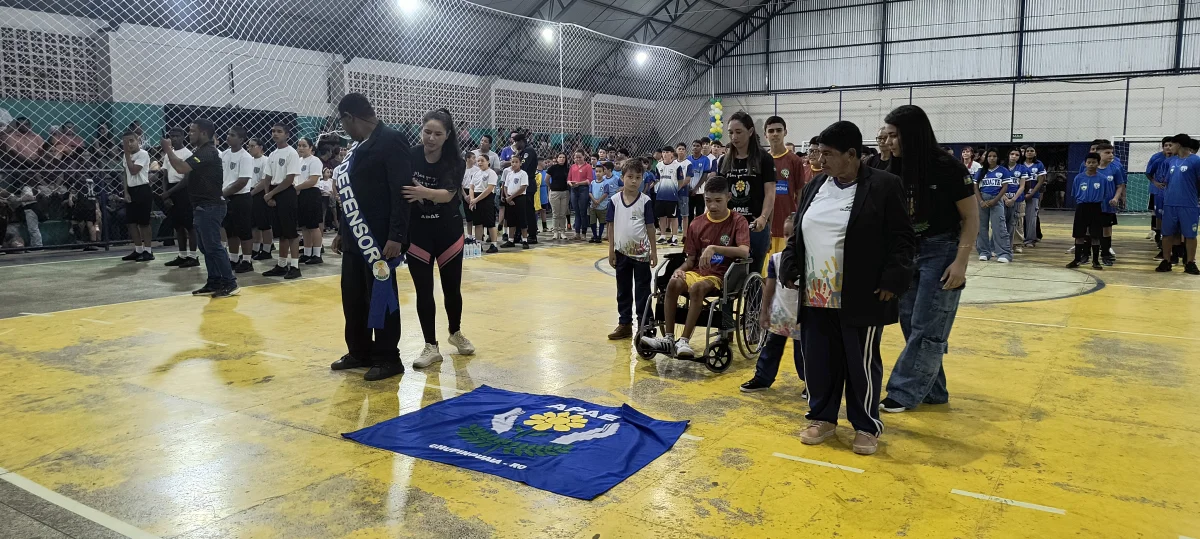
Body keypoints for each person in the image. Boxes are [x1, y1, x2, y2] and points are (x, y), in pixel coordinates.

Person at [778, 121, 915, 455]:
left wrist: (892, 279)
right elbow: (798, 231)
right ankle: (822, 417)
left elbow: (903, 238)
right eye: (819, 153)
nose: (820, 160)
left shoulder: (884, 185)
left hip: (861, 293)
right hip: (816, 293)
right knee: (818, 359)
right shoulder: (816, 185)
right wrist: (790, 263)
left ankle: (866, 424)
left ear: (852, 155)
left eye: (828, 154)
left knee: (860, 363)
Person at [878, 104, 979, 414]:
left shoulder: (948, 167)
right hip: (907, 252)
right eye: (886, 136)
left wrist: (961, 263)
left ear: (912, 135)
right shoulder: (891, 168)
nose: (888, 142)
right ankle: (934, 391)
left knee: (927, 324)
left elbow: (971, 217)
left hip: (942, 250)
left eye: (893, 136)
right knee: (911, 323)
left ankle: (902, 392)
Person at [328, 93, 412, 381]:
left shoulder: (391, 139)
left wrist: (397, 236)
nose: (344, 129)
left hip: (380, 240)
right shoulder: (357, 147)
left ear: (350, 117)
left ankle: (388, 357)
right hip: (355, 238)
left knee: (382, 297)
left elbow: (401, 192)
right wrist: (343, 231)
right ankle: (359, 351)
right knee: (353, 297)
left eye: (343, 123)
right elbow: (351, 195)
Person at [640, 176, 750, 359]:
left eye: (718, 201)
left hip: (722, 276)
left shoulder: (738, 221)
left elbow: (744, 252)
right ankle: (669, 339)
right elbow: (691, 260)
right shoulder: (697, 223)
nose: (712, 206)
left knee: (698, 288)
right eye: (708, 200)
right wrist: (680, 269)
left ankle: (683, 340)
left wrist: (714, 248)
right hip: (696, 271)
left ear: (729, 197)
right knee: (673, 282)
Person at [402, 108, 475, 369]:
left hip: (448, 232)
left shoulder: (455, 160)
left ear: (447, 135)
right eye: (427, 132)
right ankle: (430, 345)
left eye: (437, 134)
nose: (431, 138)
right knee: (423, 290)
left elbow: (448, 194)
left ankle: (455, 332)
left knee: (451, 288)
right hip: (418, 233)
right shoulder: (409, 155)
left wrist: (423, 192)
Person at [160, 119, 238, 296]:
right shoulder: (200, 152)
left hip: (211, 206)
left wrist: (167, 149)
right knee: (206, 247)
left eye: (192, 131)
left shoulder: (208, 152)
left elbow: (180, 168)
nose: (189, 134)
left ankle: (230, 282)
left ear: (203, 133)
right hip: (202, 206)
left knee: (214, 246)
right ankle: (214, 281)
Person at [739, 213, 803, 394]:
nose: (789, 239)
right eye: (786, 234)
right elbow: (769, 287)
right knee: (770, 349)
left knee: (805, 353)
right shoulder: (776, 259)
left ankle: (811, 382)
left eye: (793, 235)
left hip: (803, 316)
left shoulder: (810, 260)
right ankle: (762, 378)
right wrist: (764, 311)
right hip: (780, 314)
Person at [606, 159, 657, 341]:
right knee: (623, 290)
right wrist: (611, 250)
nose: (634, 181)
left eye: (638, 177)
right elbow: (610, 226)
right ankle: (624, 324)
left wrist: (653, 251)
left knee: (643, 290)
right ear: (622, 178)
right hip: (621, 253)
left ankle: (645, 325)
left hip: (641, 255)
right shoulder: (614, 201)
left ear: (642, 179)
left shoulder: (645, 201)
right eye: (630, 177)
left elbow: (650, 227)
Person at [717, 111, 775, 269]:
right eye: (730, 133)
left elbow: (770, 193)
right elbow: (718, 194)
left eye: (738, 132)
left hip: (754, 226)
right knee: (726, 271)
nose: (734, 137)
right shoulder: (724, 161)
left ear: (750, 132)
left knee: (753, 271)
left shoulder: (764, 159)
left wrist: (763, 217)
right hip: (729, 226)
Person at [261, 123, 302, 278]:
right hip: (274, 192)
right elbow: (267, 177)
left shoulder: (292, 153)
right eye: (273, 131)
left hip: (286, 192)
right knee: (281, 233)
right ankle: (282, 264)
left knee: (291, 232)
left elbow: (289, 179)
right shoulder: (272, 154)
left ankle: (295, 266)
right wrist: (267, 195)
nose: (275, 134)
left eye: (279, 131)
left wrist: (270, 194)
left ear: (287, 135)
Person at [764, 116, 806, 263]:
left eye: (779, 130)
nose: (775, 134)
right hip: (766, 226)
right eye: (771, 131)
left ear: (785, 132)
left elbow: (800, 192)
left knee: (784, 268)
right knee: (767, 271)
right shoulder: (761, 160)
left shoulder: (795, 160)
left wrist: (798, 219)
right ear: (765, 134)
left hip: (786, 226)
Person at [1157, 134, 1200, 274]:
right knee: (1167, 234)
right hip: (1170, 204)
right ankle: (1166, 261)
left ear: (1179, 145)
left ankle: (1190, 263)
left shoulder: (1196, 161)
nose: (1170, 148)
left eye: (1172, 145)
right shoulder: (1170, 161)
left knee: (1190, 235)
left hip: (1189, 204)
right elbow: (1166, 180)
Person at [160, 127, 198, 268]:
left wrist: (168, 193)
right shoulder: (168, 154)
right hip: (171, 189)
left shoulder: (188, 154)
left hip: (183, 191)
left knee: (189, 225)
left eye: (177, 136)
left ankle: (193, 256)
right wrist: (166, 194)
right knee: (178, 225)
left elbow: (187, 179)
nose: (174, 139)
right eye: (171, 136)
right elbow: (165, 176)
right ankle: (182, 255)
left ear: (183, 137)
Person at [219, 126, 255, 274]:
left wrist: (222, 194)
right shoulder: (224, 154)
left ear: (241, 139)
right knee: (231, 230)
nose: (228, 137)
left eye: (233, 135)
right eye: (228, 134)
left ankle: (247, 260)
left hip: (240, 197)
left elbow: (242, 181)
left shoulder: (245, 157)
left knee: (244, 230)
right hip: (226, 196)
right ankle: (233, 258)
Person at [1066, 153, 1106, 271]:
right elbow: (1075, 193)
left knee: (1095, 235)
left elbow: (1105, 194)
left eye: (1094, 162)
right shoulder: (1079, 178)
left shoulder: (1102, 179)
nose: (1091, 164)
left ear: (1098, 163)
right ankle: (1077, 259)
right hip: (1082, 207)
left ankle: (1095, 261)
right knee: (1079, 234)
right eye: (1089, 162)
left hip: (1096, 207)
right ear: (1085, 163)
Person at [120, 131, 153, 261]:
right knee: (131, 222)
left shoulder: (143, 154)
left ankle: (148, 250)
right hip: (131, 189)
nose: (129, 144)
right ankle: (138, 249)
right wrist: (126, 192)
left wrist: (127, 154)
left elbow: (133, 170)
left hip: (142, 189)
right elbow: (125, 174)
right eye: (125, 142)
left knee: (144, 222)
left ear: (137, 140)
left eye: (131, 141)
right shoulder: (125, 155)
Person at [973, 148, 1012, 263]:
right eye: (989, 156)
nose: (992, 158)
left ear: (998, 158)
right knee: (981, 227)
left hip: (997, 200)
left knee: (998, 226)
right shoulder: (981, 171)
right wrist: (980, 201)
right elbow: (975, 187)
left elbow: (1005, 187)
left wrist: (995, 200)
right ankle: (984, 252)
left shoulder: (1003, 170)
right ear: (986, 158)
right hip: (982, 200)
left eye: (994, 156)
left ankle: (1004, 253)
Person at [293, 137, 325, 265]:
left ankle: (317, 254)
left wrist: (297, 188)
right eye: (299, 145)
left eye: (304, 145)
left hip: (311, 193)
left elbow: (312, 180)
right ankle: (307, 253)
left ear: (311, 148)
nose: (300, 148)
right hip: (300, 194)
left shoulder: (315, 160)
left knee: (313, 226)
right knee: (304, 226)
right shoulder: (298, 161)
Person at [1094, 143, 1125, 266]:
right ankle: (1087, 254)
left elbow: (1120, 185)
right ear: (1098, 154)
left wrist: (1116, 198)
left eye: (1112, 152)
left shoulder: (1115, 168)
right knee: (1091, 229)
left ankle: (1105, 254)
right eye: (1107, 152)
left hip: (1108, 205)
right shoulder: (1091, 168)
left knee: (1107, 230)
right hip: (1093, 205)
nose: (1111, 155)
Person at [1146, 137, 1174, 260]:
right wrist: (1155, 183)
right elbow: (1148, 173)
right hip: (1158, 191)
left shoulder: (1177, 159)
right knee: (1157, 215)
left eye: (1170, 145)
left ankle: (1175, 247)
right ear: (1162, 146)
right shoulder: (1156, 158)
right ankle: (1158, 236)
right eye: (1166, 145)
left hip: (1173, 194)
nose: (1168, 147)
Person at [467, 154, 500, 253]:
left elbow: (489, 189)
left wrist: (476, 200)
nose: (480, 163)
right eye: (478, 161)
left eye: (482, 160)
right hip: (476, 199)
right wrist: (472, 200)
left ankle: (494, 245)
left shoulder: (491, 173)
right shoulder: (476, 173)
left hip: (486, 198)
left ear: (488, 162)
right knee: (478, 223)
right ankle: (478, 244)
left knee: (490, 223)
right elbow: (471, 187)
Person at [248, 138, 274, 261]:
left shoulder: (266, 160)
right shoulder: (249, 160)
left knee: (264, 224)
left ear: (260, 147)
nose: (249, 149)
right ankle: (255, 249)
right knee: (254, 224)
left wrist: (252, 193)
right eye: (248, 146)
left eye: (252, 146)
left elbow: (264, 181)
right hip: (249, 192)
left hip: (260, 193)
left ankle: (267, 250)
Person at [654, 147, 685, 245]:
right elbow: (657, 179)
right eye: (663, 152)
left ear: (672, 154)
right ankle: (663, 236)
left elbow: (681, 181)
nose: (665, 154)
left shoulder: (677, 166)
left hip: (672, 197)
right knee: (661, 216)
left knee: (673, 217)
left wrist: (675, 190)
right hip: (660, 195)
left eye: (667, 152)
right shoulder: (658, 165)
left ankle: (674, 237)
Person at [1019, 145, 1047, 250]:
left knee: (1031, 218)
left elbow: (1041, 180)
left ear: (1035, 153)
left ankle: (1030, 240)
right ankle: (1018, 239)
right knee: (1019, 218)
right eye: (1027, 151)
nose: (1029, 152)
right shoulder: (1020, 164)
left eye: (1032, 151)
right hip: (1020, 195)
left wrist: (1032, 193)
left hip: (1033, 195)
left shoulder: (1039, 164)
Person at [514, 133, 539, 244]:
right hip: (520, 184)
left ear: (521, 142)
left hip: (528, 183)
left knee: (529, 211)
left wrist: (509, 163)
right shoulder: (521, 152)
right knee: (520, 211)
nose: (515, 145)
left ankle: (532, 235)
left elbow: (523, 167)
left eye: (516, 142)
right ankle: (519, 234)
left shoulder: (528, 151)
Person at [500, 154, 529, 249]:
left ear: (520, 163)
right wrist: (507, 197)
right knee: (511, 220)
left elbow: (523, 187)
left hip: (520, 198)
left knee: (522, 220)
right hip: (509, 198)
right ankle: (510, 240)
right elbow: (505, 186)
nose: (514, 164)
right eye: (512, 162)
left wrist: (511, 197)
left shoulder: (523, 174)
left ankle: (525, 240)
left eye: (516, 162)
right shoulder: (509, 174)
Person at [1002, 148, 1026, 255]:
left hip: (1017, 199)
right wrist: (1005, 198)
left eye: (1017, 155)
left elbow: (1022, 186)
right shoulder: (1001, 168)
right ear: (1008, 155)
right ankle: (1001, 244)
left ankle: (1017, 244)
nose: (1014, 156)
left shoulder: (1022, 168)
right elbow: (998, 186)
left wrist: (1013, 199)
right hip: (1002, 198)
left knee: (1017, 222)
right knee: (1001, 222)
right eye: (1012, 154)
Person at [590, 161, 619, 243]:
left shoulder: (607, 182)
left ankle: (601, 236)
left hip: (603, 205)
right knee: (593, 222)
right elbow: (590, 192)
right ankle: (595, 236)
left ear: (604, 172)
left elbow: (606, 193)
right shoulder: (593, 182)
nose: (598, 173)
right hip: (593, 205)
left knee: (603, 221)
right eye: (596, 171)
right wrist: (594, 201)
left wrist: (598, 201)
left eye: (600, 171)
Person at [684, 139, 712, 224]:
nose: (695, 147)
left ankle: (699, 230)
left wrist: (696, 188)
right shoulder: (688, 159)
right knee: (689, 213)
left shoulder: (705, 160)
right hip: (688, 191)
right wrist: (688, 188)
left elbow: (705, 175)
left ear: (701, 148)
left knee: (700, 213)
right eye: (694, 146)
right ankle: (690, 230)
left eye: (697, 146)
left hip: (700, 191)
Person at [568, 150, 593, 241]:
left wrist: (579, 183)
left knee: (583, 212)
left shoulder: (588, 166)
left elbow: (589, 180)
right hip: (574, 189)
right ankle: (577, 232)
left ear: (583, 157)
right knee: (576, 212)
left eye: (580, 157)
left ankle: (584, 233)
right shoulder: (573, 167)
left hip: (583, 189)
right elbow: (569, 179)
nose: (578, 159)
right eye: (576, 157)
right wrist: (571, 183)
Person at [547, 153, 570, 240]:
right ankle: (555, 232)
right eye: (560, 157)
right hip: (555, 192)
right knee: (555, 213)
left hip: (565, 192)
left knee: (563, 213)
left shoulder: (567, 169)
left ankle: (563, 231)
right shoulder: (552, 168)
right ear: (557, 158)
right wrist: (551, 186)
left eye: (563, 157)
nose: (562, 159)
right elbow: (546, 179)